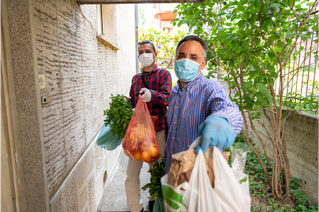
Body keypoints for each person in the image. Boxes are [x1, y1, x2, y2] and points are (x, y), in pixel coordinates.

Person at [164, 35, 243, 173]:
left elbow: (227, 107)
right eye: (181, 56)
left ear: (202, 63)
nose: (186, 61)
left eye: (193, 58)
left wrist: (222, 119)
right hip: (173, 170)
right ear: (175, 59)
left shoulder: (211, 88)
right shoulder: (175, 91)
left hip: (200, 176)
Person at [125, 40, 172, 212]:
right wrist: (126, 102)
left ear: (154, 54)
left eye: (148, 51)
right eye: (141, 52)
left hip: (158, 131)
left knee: (157, 171)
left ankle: (153, 204)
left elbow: (167, 99)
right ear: (138, 56)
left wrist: (152, 95)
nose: (144, 54)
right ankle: (135, 208)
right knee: (132, 172)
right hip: (138, 133)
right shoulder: (136, 79)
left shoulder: (163, 75)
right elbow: (132, 100)